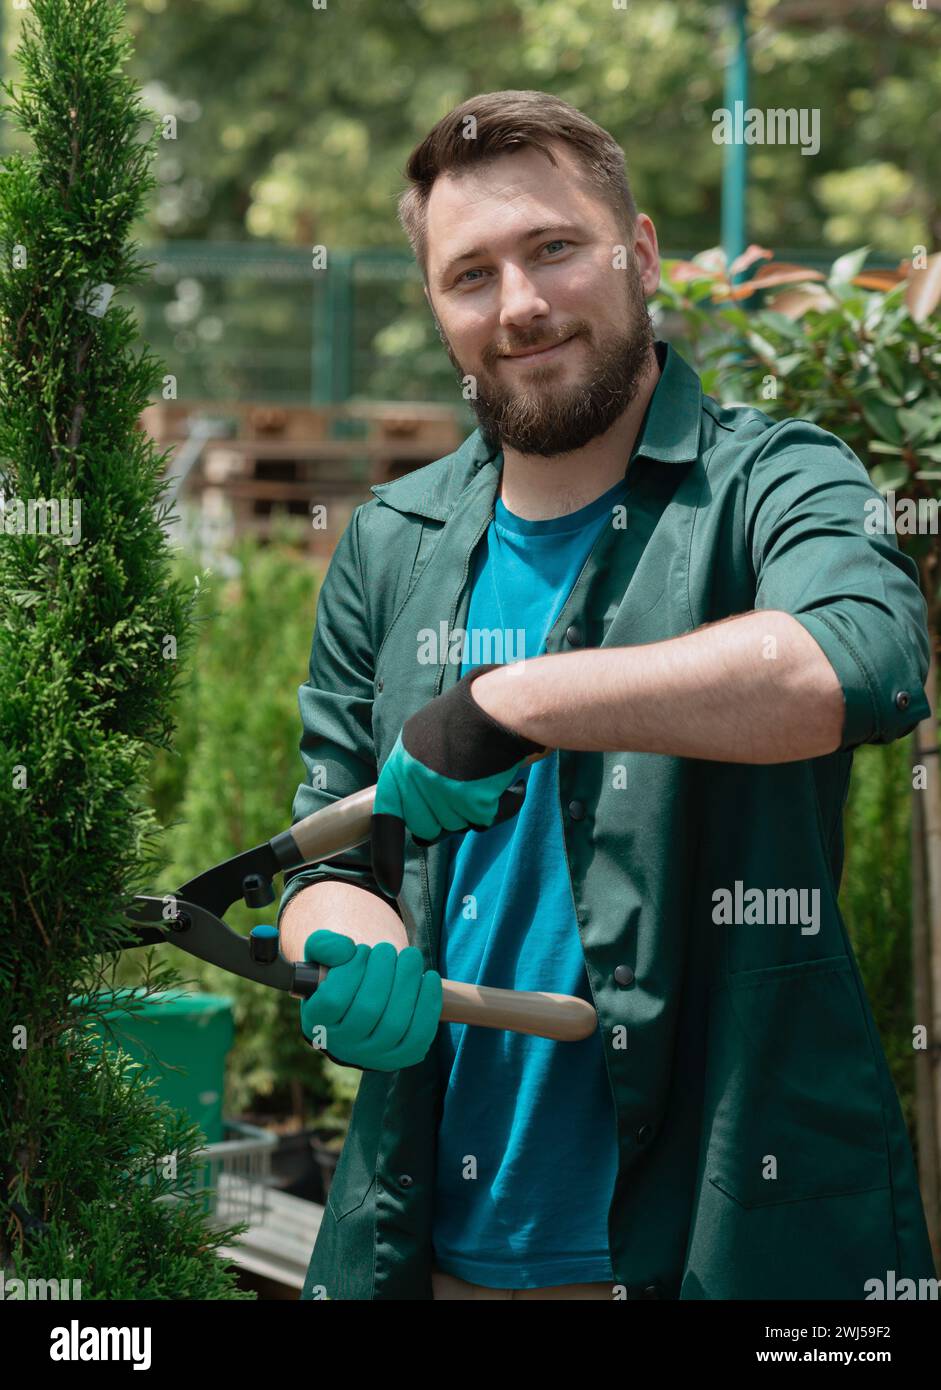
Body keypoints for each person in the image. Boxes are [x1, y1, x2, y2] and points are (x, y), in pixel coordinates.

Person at [276, 90, 937, 1301]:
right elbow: (327, 849)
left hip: (716, 1244)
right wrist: (343, 952)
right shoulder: (389, 541)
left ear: (635, 254)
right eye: (468, 274)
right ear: (436, 309)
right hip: (424, 1252)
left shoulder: (772, 479)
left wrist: (517, 699)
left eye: (552, 248)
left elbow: (858, 659)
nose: (517, 304)